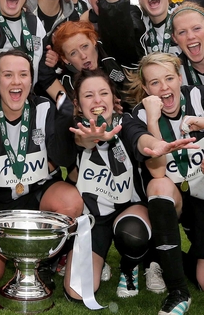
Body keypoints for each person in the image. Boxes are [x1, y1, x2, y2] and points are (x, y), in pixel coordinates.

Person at [120, 52, 204, 314]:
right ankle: (178, 292)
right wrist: (152, 120)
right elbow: (158, 172)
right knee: (159, 188)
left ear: (179, 77)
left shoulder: (201, 96)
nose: (164, 88)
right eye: (155, 83)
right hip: (173, 198)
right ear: (146, 89)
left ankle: (158, 256)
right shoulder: (136, 116)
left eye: (169, 78)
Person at [0, 49, 80, 288]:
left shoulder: (44, 109)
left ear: (31, 79)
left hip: (38, 194)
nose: (17, 81)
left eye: (23, 74)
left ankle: (46, 261)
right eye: (8, 75)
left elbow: (62, 156)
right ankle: (8, 250)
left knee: (69, 201)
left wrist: (66, 115)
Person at [63, 69, 151, 303]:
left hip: (130, 209)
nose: (98, 100)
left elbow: (139, 138)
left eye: (103, 93)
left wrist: (154, 145)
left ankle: (129, 264)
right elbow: (81, 139)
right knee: (78, 292)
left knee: (132, 232)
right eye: (89, 95)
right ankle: (96, 259)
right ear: (79, 105)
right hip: (95, 216)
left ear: (114, 99)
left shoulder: (128, 122)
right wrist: (89, 138)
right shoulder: (75, 128)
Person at [50, 20, 134, 111]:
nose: (83, 56)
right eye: (73, 53)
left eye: (85, 46)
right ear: (65, 59)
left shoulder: (111, 51)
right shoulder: (68, 82)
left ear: (93, 40)